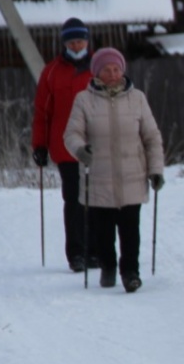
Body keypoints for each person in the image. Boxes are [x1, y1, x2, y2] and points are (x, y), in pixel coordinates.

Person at [64, 47, 165, 293]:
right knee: (103, 231)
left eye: (116, 69)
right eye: (107, 69)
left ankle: (131, 272)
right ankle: (108, 267)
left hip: (133, 174)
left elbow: (151, 136)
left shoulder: (137, 98)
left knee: (131, 230)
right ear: (97, 72)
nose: (112, 73)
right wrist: (80, 150)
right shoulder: (84, 100)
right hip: (99, 176)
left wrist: (156, 170)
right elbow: (72, 133)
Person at [32, 17, 95, 271]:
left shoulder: (99, 67)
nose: (77, 45)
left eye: (80, 40)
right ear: (64, 43)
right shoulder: (52, 71)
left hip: (96, 145)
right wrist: (39, 145)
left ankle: (97, 251)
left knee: (98, 200)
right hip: (66, 147)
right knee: (74, 199)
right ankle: (77, 253)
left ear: (87, 42)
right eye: (72, 41)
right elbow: (42, 112)